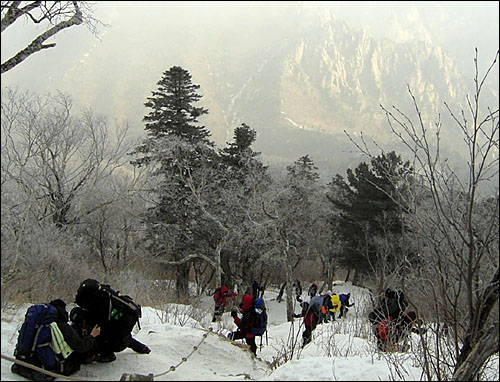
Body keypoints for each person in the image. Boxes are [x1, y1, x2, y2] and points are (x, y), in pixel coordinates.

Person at [12, 299, 100, 381]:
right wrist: (92, 336)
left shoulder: (36, 322)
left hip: (25, 361)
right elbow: (80, 346)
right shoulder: (60, 325)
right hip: (49, 366)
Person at [73, 279, 150, 363]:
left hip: (118, 340)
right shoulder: (105, 298)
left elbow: (97, 333)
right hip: (122, 335)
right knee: (119, 335)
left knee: (101, 335)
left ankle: (107, 355)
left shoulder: (101, 309)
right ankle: (142, 348)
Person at [69, 306, 150, 363]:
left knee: (103, 340)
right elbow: (129, 340)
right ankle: (144, 349)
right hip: (120, 338)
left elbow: (86, 345)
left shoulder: (92, 324)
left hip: (115, 342)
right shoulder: (101, 314)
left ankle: (107, 355)